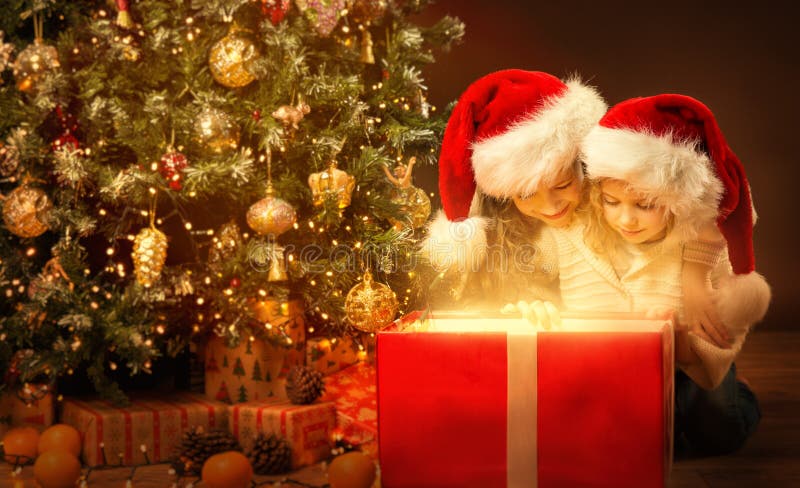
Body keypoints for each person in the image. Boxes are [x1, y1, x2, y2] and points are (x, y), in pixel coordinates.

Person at [546, 94, 771, 455]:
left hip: (692, 364)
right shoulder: (578, 230)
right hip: (617, 368)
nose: (626, 219)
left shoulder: (706, 245)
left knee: (716, 430)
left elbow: (732, 200)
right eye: (612, 202)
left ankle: (740, 393)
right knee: (622, 437)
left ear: (677, 199)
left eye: (645, 205)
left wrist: (678, 340)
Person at [420, 69, 607, 307]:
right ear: (505, 193)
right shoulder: (499, 240)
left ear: (583, 164)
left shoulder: (619, 214)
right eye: (527, 194)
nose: (550, 206)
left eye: (563, 185)